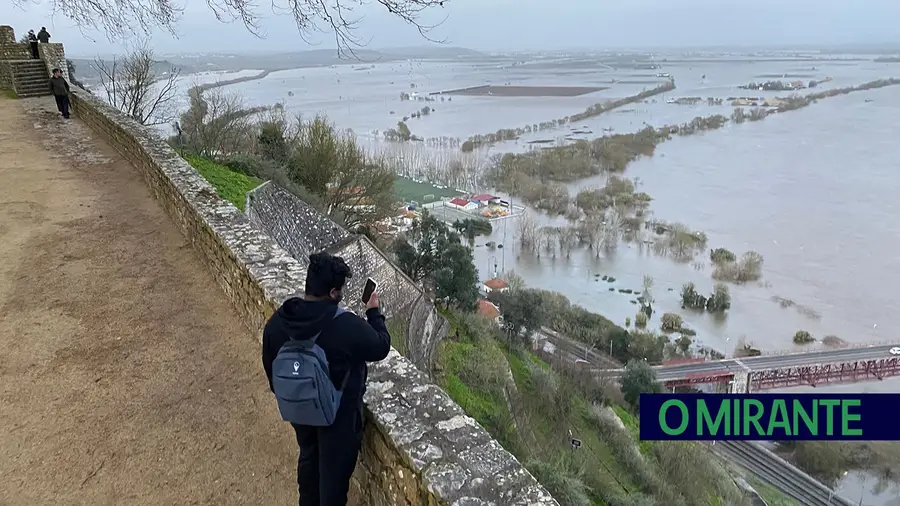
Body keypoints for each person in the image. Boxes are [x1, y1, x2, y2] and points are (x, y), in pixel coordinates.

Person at [262, 252, 391, 506]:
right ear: (333, 292)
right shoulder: (345, 325)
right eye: (340, 290)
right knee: (332, 484)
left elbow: (270, 366)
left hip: (299, 409)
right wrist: (374, 313)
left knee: (309, 462)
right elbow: (381, 347)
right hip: (338, 418)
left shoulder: (279, 321)